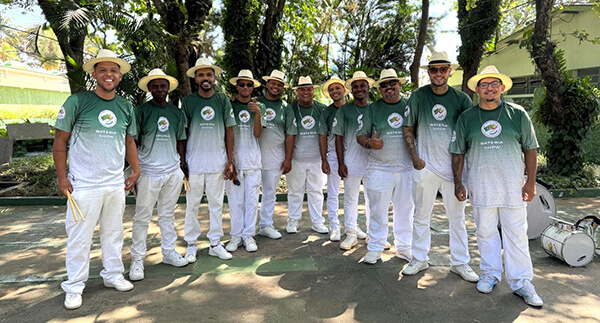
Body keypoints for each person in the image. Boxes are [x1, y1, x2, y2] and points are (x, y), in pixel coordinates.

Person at [451, 65, 543, 307]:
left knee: (516, 235)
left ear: (502, 87)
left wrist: (530, 182)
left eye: (494, 84)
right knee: (485, 233)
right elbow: (458, 152)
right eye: (484, 84)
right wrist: (458, 182)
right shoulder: (467, 118)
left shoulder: (517, 113)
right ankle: (490, 273)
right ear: (477, 90)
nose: (489, 88)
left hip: (513, 187)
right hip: (481, 187)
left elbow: (530, 149)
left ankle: (521, 281)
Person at [53, 49, 139, 309]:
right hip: (84, 183)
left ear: (120, 76)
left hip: (114, 183)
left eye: (113, 70)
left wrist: (135, 170)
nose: (108, 75)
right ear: (94, 74)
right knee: (79, 237)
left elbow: (129, 141)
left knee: (113, 233)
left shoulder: (125, 106)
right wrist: (62, 177)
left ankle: (113, 275)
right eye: (103, 70)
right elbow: (60, 142)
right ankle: (75, 285)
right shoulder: (77, 102)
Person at [402, 51, 479, 282]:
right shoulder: (417, 97)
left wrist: (465, 170)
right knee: (421, 215)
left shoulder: (462, 99)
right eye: (434, 70)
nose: (438, 74)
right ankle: (419, 258)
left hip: (455, 170)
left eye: (442, 69)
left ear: (449, 71)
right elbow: (407, 128)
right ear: (428, 72)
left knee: (457, 218)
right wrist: (416, 159)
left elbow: (469, 135)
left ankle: (460, 262)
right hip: (426, 167)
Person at [129, 68, 188, 282]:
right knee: (142, 217)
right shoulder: (141, 111)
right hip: (149, 171)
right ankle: (137, 259)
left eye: (163, 86)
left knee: (167, 215)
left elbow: (181, 139)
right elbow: (132, 142)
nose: (160, 89)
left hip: (172, 170)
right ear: (150, 89)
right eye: (155, 86)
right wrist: (135, 169)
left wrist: (182, 166)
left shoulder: (176, 112)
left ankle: (169, 252)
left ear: (168, 88)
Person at [356, 68, 413, 264]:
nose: (389, 87)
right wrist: (370, 144)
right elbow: (360, 135)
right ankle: (375, 247)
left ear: (399, 84)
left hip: (406, 167)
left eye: (392, 83)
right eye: (384, 85)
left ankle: (404, 248)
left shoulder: (410, 105)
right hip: (379, 168)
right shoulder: (372, 109)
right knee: (378, 211)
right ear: (379, 89)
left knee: (405, 210)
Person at [182, 58, 236, 261]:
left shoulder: (222, 100)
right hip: (194, 163)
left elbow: (230, 131)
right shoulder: (188, 102)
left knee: (216, 204)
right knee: (192, 205)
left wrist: (230, 161)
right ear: (196, 78)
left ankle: (215, 243)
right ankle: (191, 244)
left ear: (214, 78)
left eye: (209, 75)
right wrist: (183, 162)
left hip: (217, 163)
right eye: (201, 74)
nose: (205, 78)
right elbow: (183, 133)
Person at [225, 70, 265, 253]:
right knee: (235, 202)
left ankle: (249, 235)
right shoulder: (229, 105)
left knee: (251, 201)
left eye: (249, 85)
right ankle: (235, 236)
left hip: (253, 161)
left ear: (253, 88)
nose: (245, 88)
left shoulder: (258, 107)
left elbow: (258, 134)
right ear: (236, 86)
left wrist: (257, 114)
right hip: (234, 162)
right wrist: (230, 160)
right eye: (242, 84)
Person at [332, 71, 372, 249]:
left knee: (374, 200)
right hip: (351, 161)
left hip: (373, 162)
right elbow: (338, 138)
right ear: (351, 90)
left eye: (362, 85)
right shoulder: (344, 110)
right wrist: (341, 162)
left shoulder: (375, 108)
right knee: (350, 198)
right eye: (355, 86)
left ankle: (374, 235)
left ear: (368, 87)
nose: (359, 89)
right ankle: (351, 234)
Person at [257, 70, 296, 239]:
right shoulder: (256, 102)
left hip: (275, 157)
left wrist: (288, 158)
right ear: (267, 84)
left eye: (279, 84)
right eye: (273, 83)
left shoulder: (286, 107)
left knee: (270, 193)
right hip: (253, 155)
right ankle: (246, 228)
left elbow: (290, 134)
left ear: (282, 88)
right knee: (249, 194)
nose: (276, 87)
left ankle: (265, 225)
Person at [286, 76, 328, 234]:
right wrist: (288, 159)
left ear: (313, 90)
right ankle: (293, 221)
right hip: (296, 159)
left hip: (316, 158)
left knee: (316, 191)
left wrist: (325, 159)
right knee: (294, 191)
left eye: (308, 89)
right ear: (297, 91)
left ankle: (317, 222)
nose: (306, 92)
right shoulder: (291, 108)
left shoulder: (322, 109)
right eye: (302, 89)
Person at [318, 76, 347, 241]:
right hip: (333, 156)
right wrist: (324, 159)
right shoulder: (327, 112)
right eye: (331, 89)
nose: (335, 91)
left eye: (337, 88)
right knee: (333, 192)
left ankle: (352, 226)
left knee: (351, 194)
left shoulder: (352, 108)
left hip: (351, 155)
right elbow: (322, 136)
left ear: (344, 90)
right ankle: (334, 226)